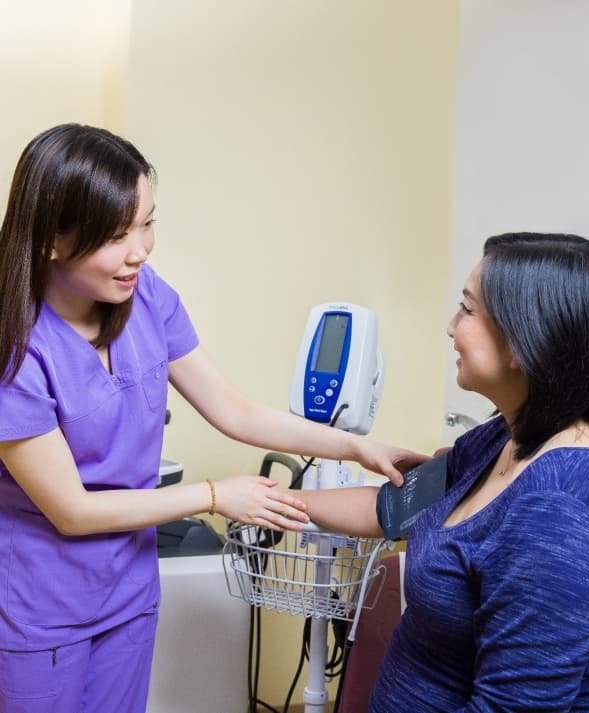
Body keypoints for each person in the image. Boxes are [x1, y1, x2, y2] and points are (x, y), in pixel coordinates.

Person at [0, 123, 423, 713]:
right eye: (116, 235)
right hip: (40, 610)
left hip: (127, 594)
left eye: (147, 224)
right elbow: (71, 512)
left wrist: (354, 448)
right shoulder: (17, 349)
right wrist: (214, 495)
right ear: (51, 240)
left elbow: (232, 409)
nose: (140, 251)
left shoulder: (145, 296)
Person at [297, 232, 589, 712]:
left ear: (524, 342)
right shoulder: (502, 439)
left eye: (467, 310)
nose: (451, 327)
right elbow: (393, 506)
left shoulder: (556, 512)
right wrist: (280, 503)